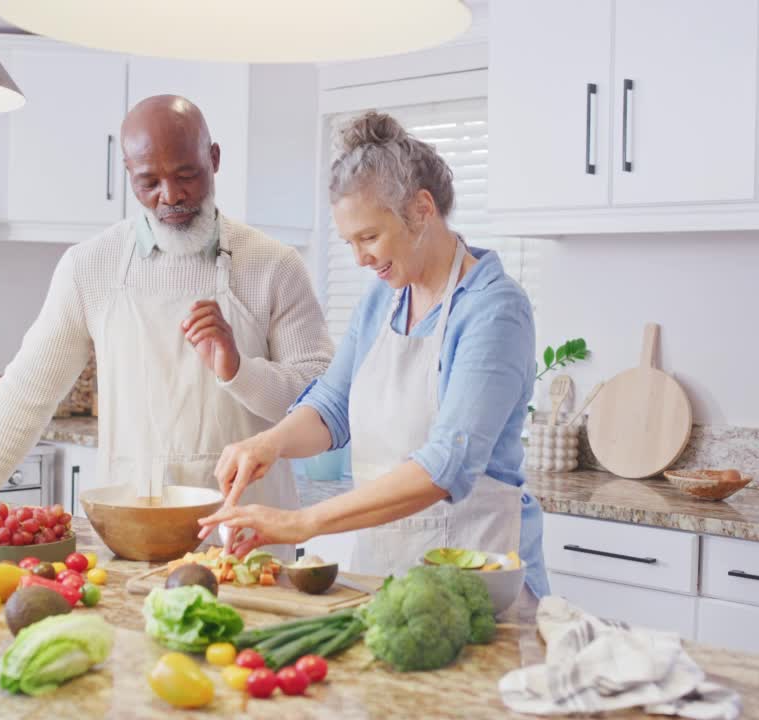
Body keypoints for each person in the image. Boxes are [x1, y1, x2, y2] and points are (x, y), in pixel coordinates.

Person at [0, 95, 332, 558]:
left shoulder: (274, 265)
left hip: (247, 536)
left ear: (214, 159)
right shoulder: (91, 267)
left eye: (186, 175)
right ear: (127, 174)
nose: (171, 196)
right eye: (149, 182)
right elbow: (28, 389)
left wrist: (238, 369)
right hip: (132, 529)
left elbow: (319, 403)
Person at [199, 111, 549, 597]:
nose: (360, 258)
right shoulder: (385, 298)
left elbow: (445, 466)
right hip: (388, 579)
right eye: (350, 242)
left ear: (422, 209)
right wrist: (270, 444)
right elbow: (332, 406)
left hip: (478, 584)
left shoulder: (494, 311)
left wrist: (305, 523)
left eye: (369, 237)